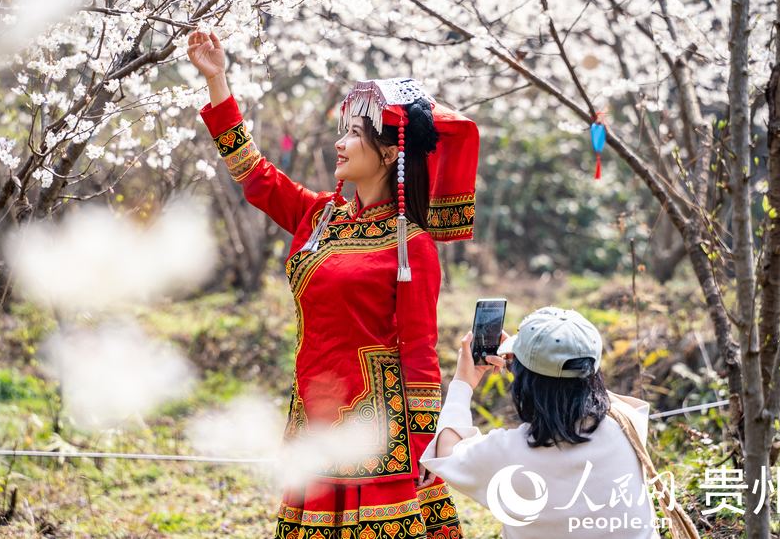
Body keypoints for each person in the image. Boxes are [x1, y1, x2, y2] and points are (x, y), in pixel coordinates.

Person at [187, 30, 479, 539]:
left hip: (380, 432)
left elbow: (420, 352)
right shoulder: (321, 217)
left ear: (390, 153)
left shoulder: (412, 243)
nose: (339, 144)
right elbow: (253, 174)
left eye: (354, 135)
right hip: (313, 416)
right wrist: (218, 81)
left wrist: (422, 448)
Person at [419, 307, 670, 539]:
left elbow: (447, 451)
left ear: (525, 383)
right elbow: (598, 395)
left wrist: (463, 381)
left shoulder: (507, 454)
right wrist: (528, 368)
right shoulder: (628, 424)